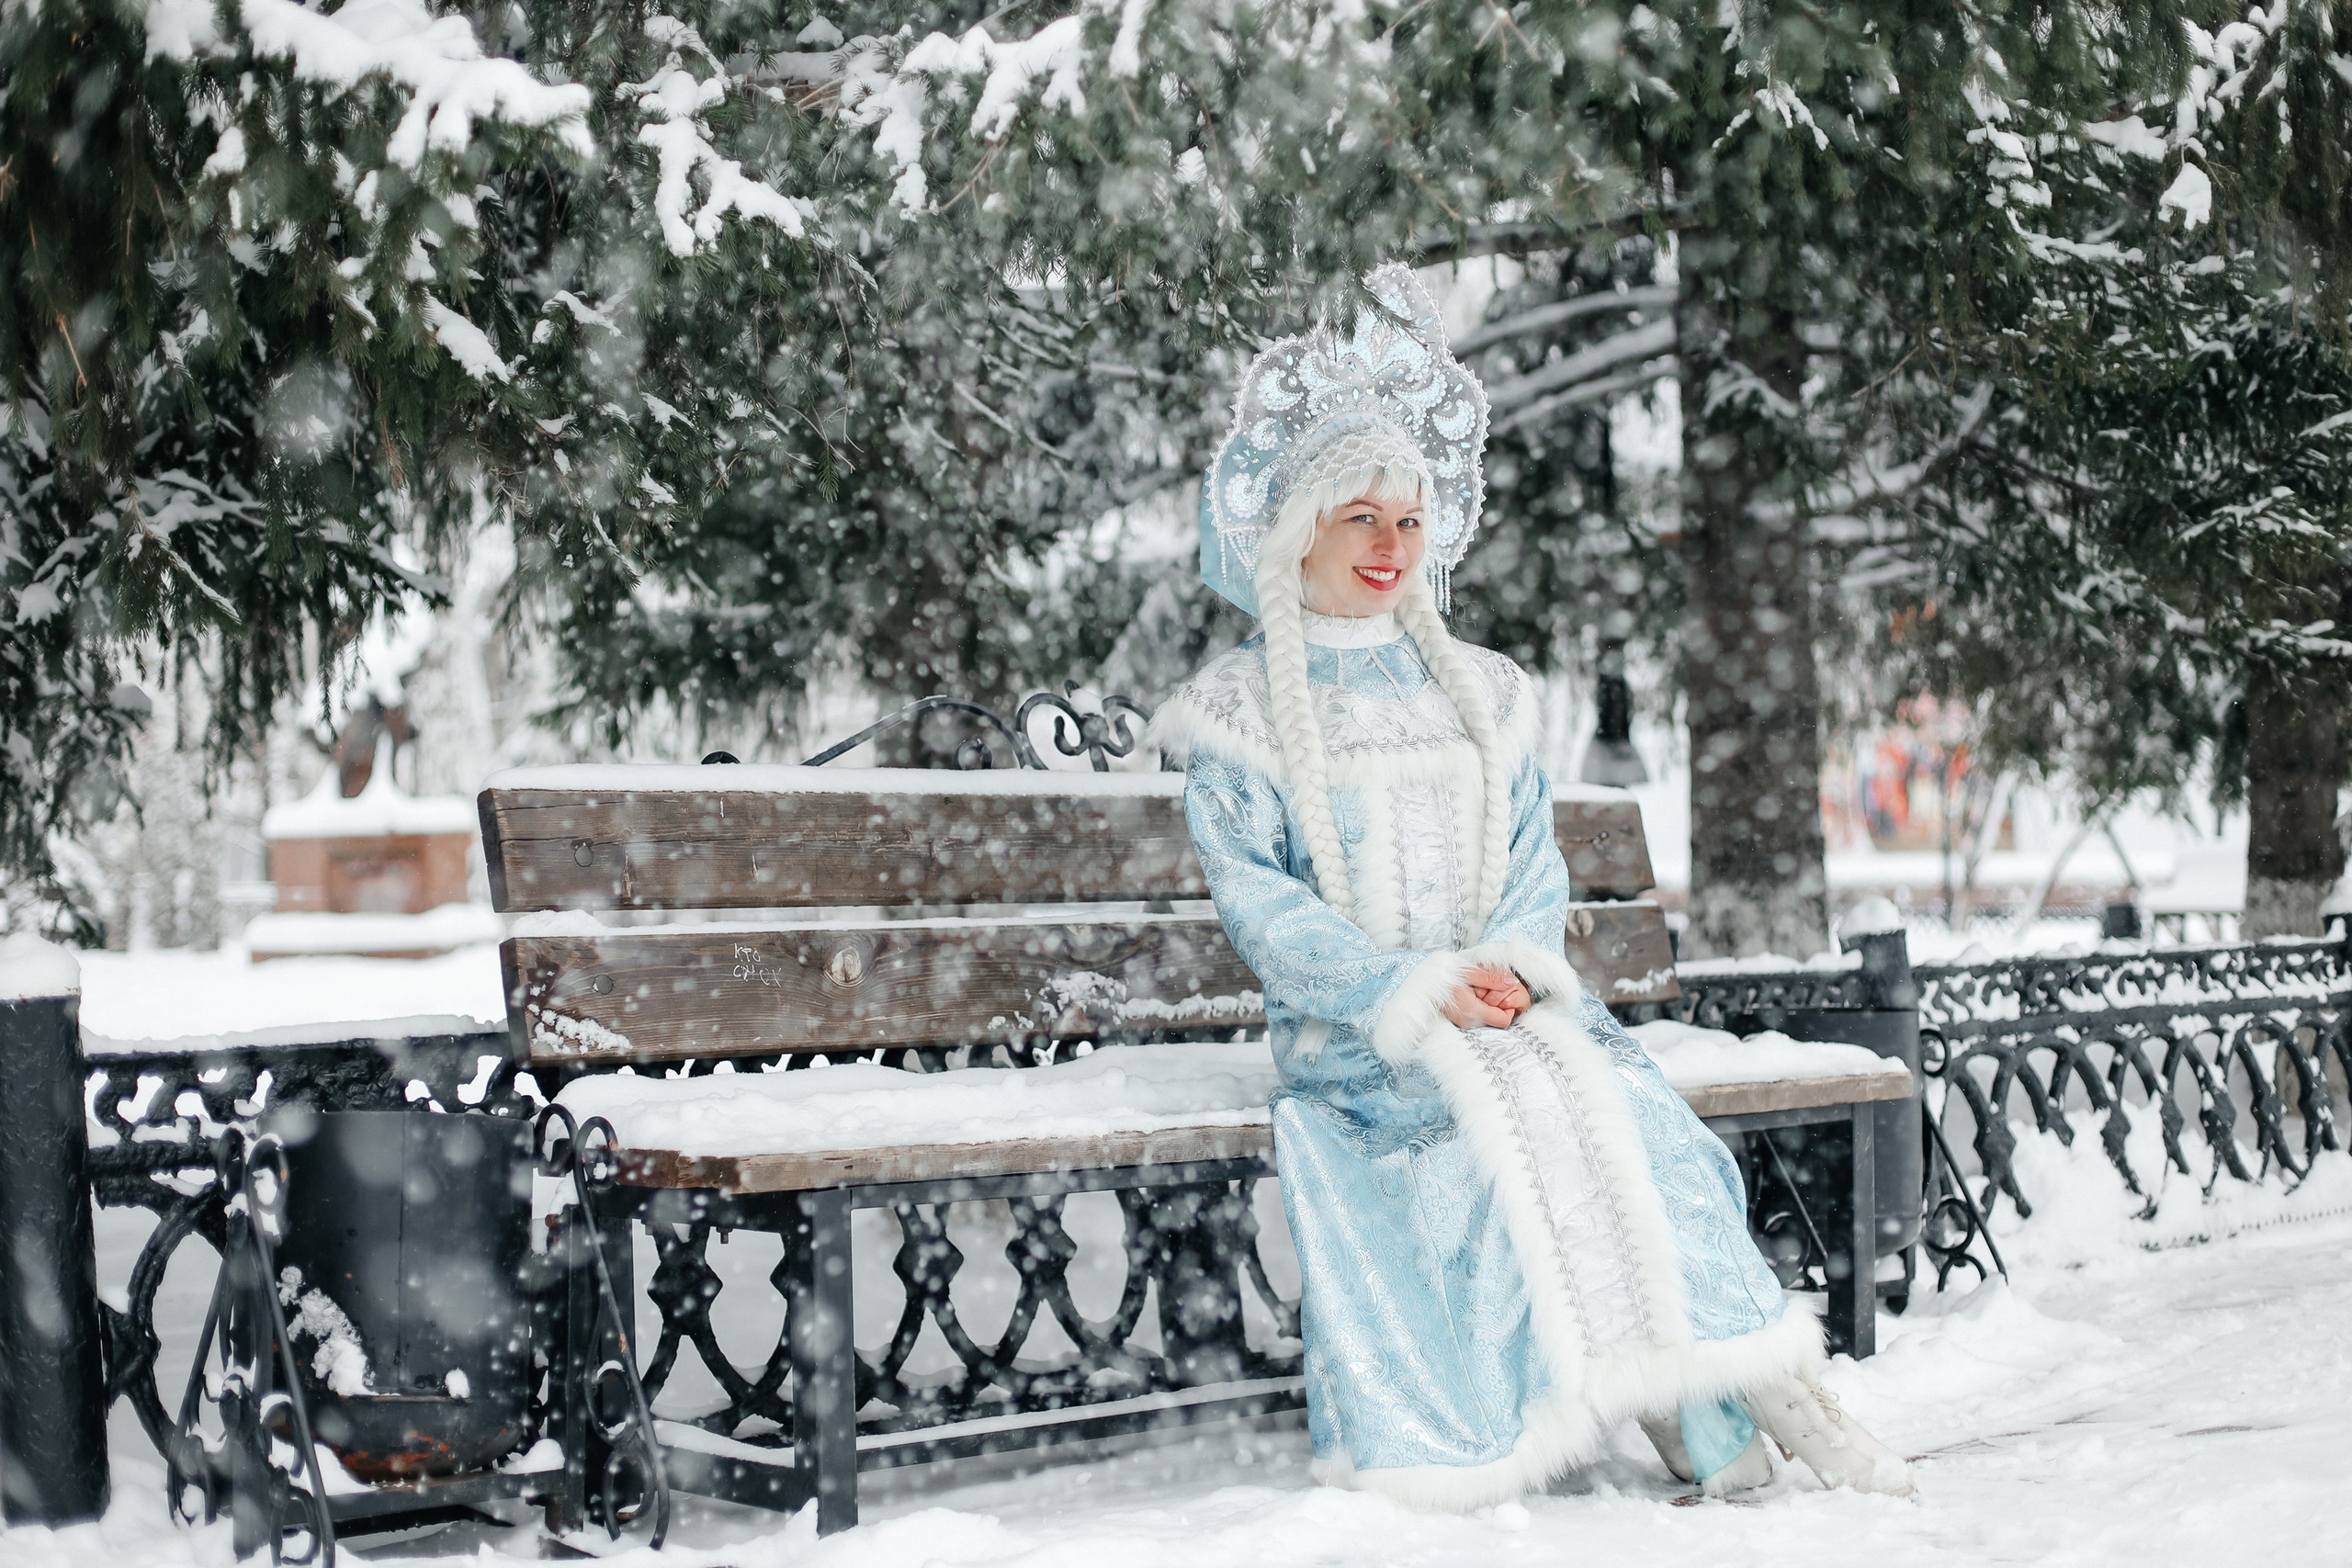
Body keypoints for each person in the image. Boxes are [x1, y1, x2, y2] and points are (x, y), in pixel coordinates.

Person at [1148, 265, 1915, 1509]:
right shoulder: (1240, 717)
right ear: (1300, 531)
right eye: (1361, 520)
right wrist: (1410, 990)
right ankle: (1711, 1419)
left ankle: (1761, 1397)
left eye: (1409, 521)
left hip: (1507, 1013)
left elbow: (1529, 858)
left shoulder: (1482, 691)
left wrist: (1508, 966)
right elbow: (1267, 912)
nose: (1392, 547)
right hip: (1367, 1047)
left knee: (1624, 1120)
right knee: (1486, 1149)